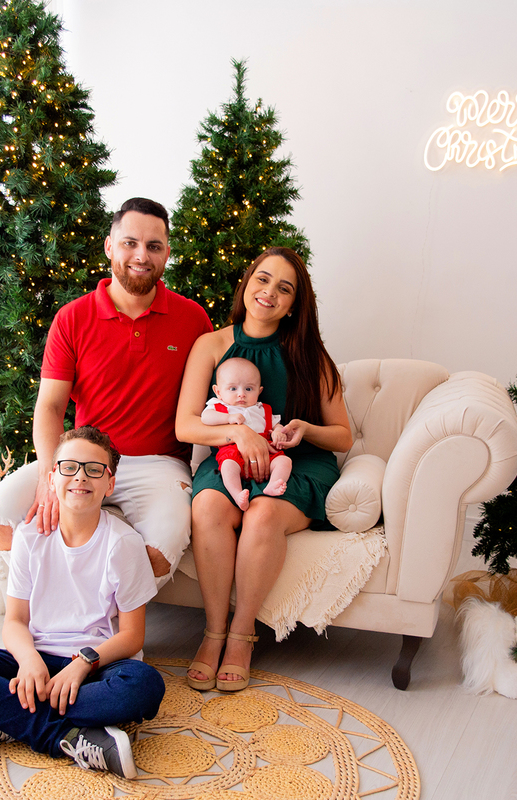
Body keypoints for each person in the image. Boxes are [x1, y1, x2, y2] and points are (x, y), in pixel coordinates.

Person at [0, 198, 213, 587]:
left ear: (167, 254)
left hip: (160, 463)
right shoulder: (73, 317)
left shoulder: (193, 319)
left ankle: (101, 625)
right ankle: (53, 609)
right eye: (130, 243)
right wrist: (48, 472)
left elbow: (209, 401)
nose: (141, 255)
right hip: (85, 455)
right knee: (0, 513)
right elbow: (51, 405)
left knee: (164, 546)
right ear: (109, 246)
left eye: (154, 246)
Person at [0, 426, 164, 776]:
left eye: (94, 469)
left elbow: (132, 637)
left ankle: (6, 719)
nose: (80, 477)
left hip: (94, 667)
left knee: (144, 686)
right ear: (52, 477)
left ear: (109, 484)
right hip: (36, 663)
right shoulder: (29, 537)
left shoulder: (123, 544)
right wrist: (27, 661)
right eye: (69, 467)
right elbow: (14, 621)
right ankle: (64, 737)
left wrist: (82, 664)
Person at [175, 247, 353, 692]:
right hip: (229, 457)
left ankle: (241, 636)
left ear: (295, 303)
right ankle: (213, 632)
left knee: (263, 514)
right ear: (247, 283)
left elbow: (343, 436)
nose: (269, 292)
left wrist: (304, 427)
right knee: (210, 509)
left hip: (295, 461)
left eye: (284, 287)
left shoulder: (310, 354)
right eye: (263, 279)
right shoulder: (212, 345)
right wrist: (239, 433)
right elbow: (186, 425)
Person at [201, 356, 292, 510]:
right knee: (228, 466)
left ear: (259, 391)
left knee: (285, 462)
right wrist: (228, 418)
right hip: (233, 449)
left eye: (248, 389)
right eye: (233, 388)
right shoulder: (219, 406)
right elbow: (205, 418)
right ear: (218, 391)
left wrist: (278, 432)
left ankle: (273, 485)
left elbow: (276, 425)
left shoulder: (263, 409)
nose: (241, 394)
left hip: (265, 449)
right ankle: (237, 494)